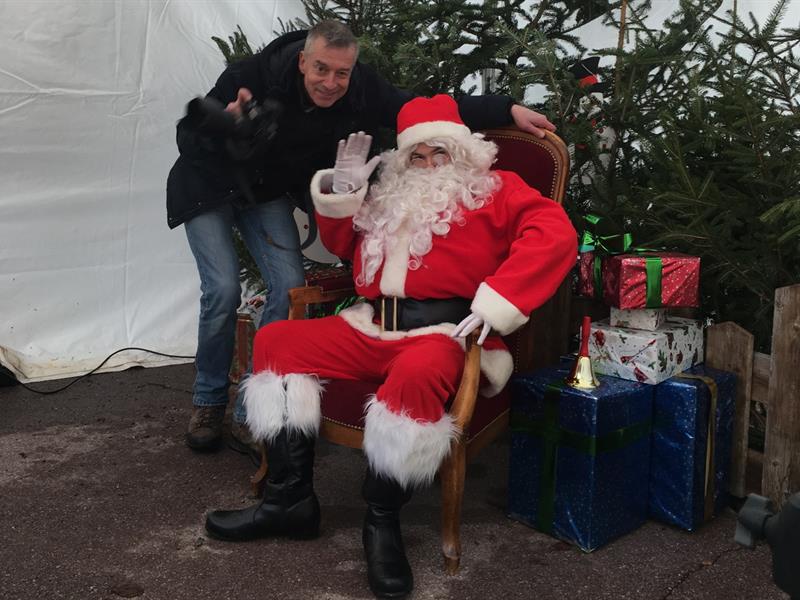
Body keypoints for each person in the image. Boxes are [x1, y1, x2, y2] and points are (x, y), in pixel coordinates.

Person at [203, 94, 577, 598]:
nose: (426, 166)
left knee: (418, 374)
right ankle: (288, 501)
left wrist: (495, 305)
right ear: (402, 162)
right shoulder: (389, 197)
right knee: (276, 340)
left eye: (438, 153)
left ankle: (381, 521)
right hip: (370, 326)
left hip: (443, 334)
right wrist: (344, 193)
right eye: (415, 157)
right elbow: (342, 247)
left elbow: (554, 234)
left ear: (462, 152)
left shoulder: (497, 190)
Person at [167, 19, 559, 455]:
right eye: (321, 69)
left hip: (263, 192)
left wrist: (506, 109)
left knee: (288, 283)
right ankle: (207, 401)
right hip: (208, 184)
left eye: (341, 72)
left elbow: (423, 111)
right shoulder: (250, 77)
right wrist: (222, 127)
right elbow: (188, 138)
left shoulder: (361, 90)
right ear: (302, 61)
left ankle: (250, 413)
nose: (331, 82)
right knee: (221, 288)